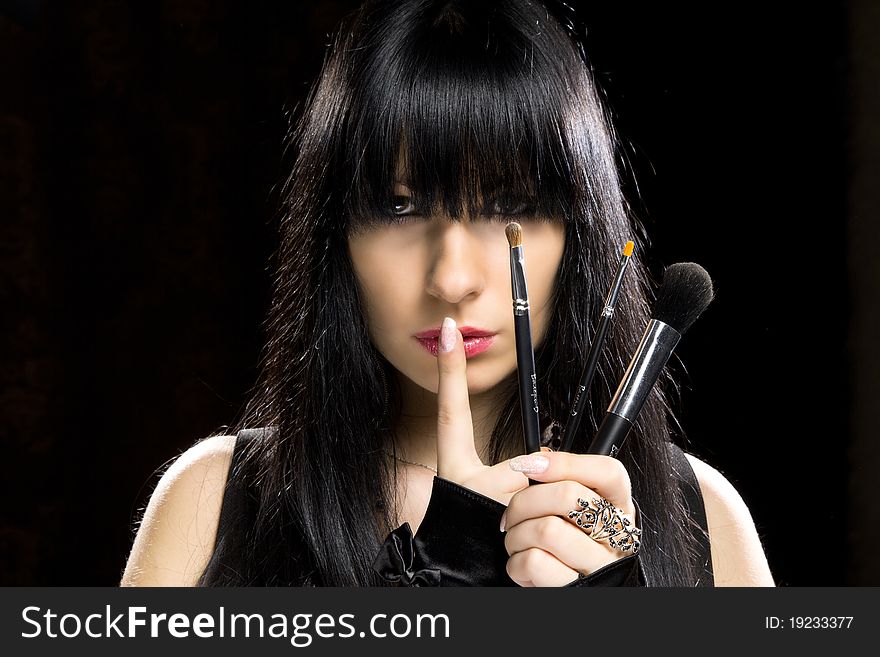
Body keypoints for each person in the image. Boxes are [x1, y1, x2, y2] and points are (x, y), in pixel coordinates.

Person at [120, 0, 774, 587]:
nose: (453, 279)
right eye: (401, 207)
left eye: (510, 204)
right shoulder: (212, 504)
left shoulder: (702, 516)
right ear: (336, 233)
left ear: (579, 230)